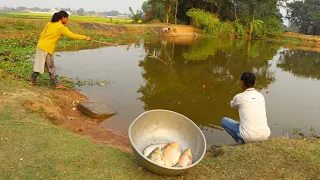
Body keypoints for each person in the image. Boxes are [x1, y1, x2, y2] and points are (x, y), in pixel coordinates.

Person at [29, 11, 91, 89]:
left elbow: (42, 34)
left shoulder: (49, 23)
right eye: (66, 19)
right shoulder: (61, 27)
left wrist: (42, 43)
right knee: (50, 67)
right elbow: (72, 35)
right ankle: (57, 85)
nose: (67, 21)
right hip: (47, 48)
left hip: (40, 46)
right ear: (62, 18)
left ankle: (32, 80)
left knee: (39, 64)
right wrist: (85, 37)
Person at [221, 72, 271, 144]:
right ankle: (245, 139)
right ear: (255, 82)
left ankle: (241, 142)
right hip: (265, 135)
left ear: (242, 82)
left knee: (224, 120)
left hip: (249, 136)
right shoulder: (261, 96)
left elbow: (232, 105)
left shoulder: (239, 97)